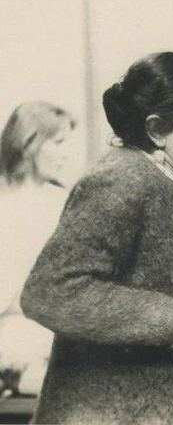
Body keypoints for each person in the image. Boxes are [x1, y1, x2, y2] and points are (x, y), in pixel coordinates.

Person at [20, 52, 173, 424]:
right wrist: (165, 319)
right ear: (157, 130)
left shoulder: (170, 181)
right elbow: (49, 291)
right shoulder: (122, 180)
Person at [0, 101, 77, 396]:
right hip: (15, 331)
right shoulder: (4, 204)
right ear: (29, 143)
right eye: (58, 142)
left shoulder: (64, 201)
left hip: (61, 326)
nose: (66, 153)